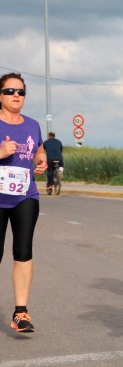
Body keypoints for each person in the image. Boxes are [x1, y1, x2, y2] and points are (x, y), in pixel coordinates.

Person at [0, 73, 47, 332]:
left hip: (25, 196)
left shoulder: (32, 124)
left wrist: (41, 159)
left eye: (20, 91)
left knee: (23, 251)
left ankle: (21, 312)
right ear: (0, 95)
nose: (16, 96)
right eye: (9, 91)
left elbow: (38, 148)